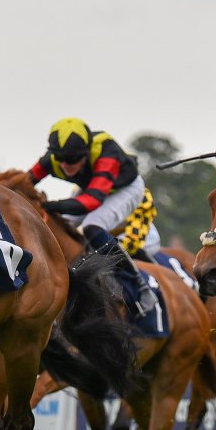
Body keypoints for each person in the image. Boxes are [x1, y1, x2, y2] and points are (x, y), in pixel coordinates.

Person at [27, 117, 159, 315]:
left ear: (87, 151)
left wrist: (47, 205)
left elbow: (91, 202)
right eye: (62, 159)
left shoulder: (107, 152)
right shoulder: (50, 160)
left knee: (92, 225)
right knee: (58, 225)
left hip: (125, 189)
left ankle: (139, 286)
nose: (67, 165)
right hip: (92, 187)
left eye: (74, 159)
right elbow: (25, 181)